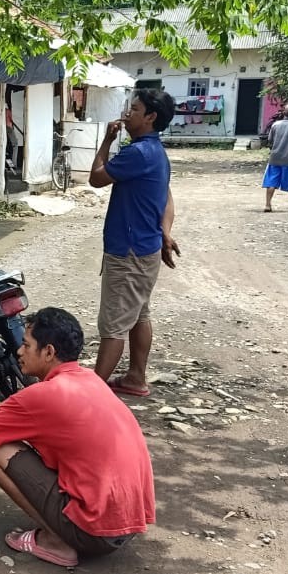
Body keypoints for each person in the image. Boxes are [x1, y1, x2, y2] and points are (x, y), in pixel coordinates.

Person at [0, 307, 155, 568]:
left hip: (95, 535)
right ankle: (70, 527)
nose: (19, 352)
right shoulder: (91, 380)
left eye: (26, 345)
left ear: (48, 352)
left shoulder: (43, 394)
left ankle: (57, 541)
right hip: (129, 526)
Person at [88, 88, 179, 399]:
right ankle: (135, 377)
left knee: (113, 323)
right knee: (139, 313)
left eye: (135, 109)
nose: (128, 114)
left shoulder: (138, 153)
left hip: (127, 250)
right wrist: (165, 232)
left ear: (151, 118)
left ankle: (92, 392)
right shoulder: (156, 152)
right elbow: (166, 198)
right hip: (146, 247)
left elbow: (96, 178)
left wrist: (106, 141)